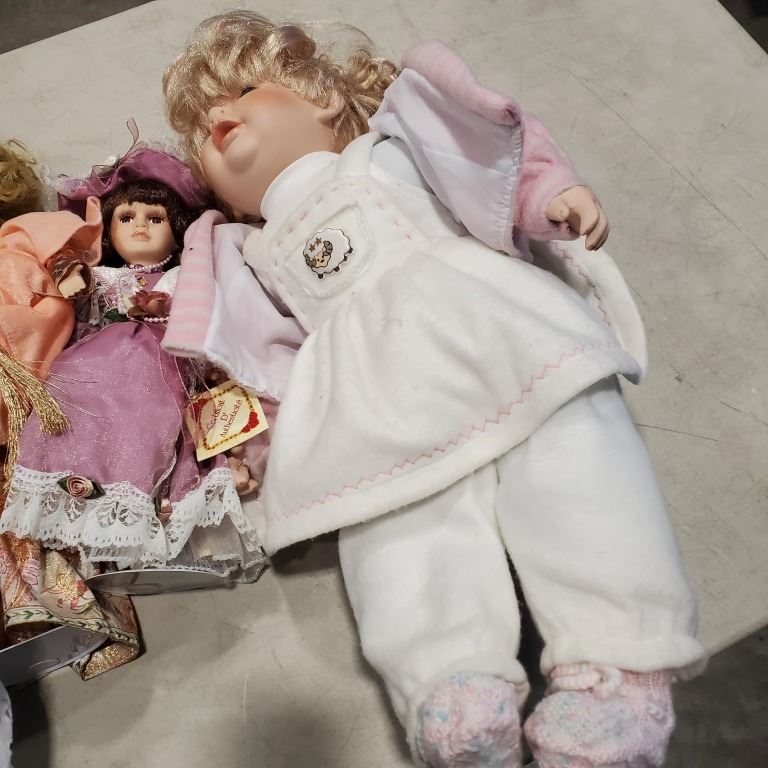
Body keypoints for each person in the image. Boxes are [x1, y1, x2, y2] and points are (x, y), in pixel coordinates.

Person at [163, 12, 706, 768]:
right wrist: (264, 440)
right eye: (203, 134)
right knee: (395, 520)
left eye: (246, 93)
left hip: (487, 328)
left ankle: (618, 668)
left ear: (323, 98)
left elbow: (486, 166)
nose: (220, 120)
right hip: (368, 392)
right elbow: (265, 354)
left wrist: (548, 193)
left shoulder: (390, 149)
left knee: (574, 466)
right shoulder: (245, 250)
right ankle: (451, 686)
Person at [1, 144, 264, 581]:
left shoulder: (183, 277)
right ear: (108, 231)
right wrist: (70, 276)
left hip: (158, 367)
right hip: (90, 364)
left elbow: (206, 318)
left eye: (155, 218)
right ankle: (86, 526)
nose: (140, 226)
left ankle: (145, 529)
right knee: (73, 419)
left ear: (177, 231)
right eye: (126, 218)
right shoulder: (103, 278)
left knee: (152, 434)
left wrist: (169, 315)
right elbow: (73, 306)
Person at [0, 138, 139, 679]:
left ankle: (66, 612)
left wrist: (66, 273)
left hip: (25, 372)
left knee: (35, 494)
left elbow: (57, 261)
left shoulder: (15, 238)